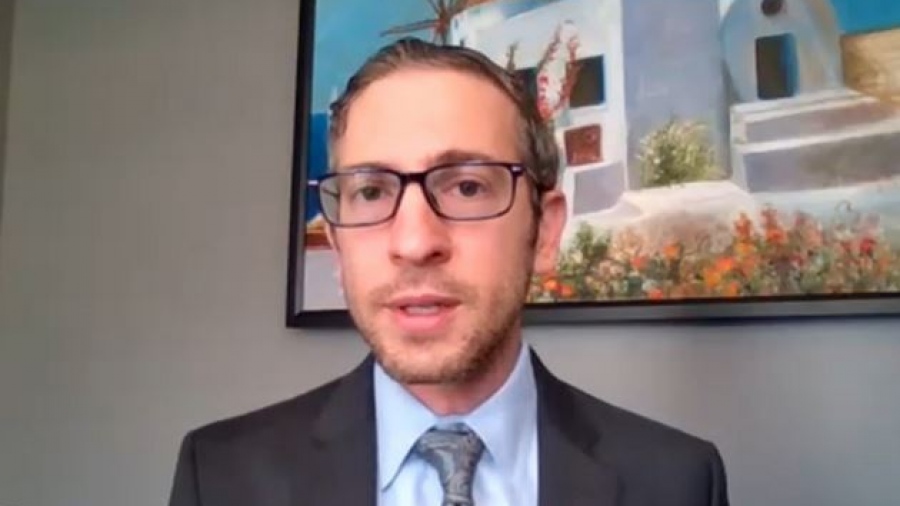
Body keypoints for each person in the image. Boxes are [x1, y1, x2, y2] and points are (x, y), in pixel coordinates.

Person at [168, 37, 730, 506]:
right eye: (371, 191)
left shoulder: (677, 482)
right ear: (337, 246)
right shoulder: (220, 479)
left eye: (466, 186)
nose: (415, 244)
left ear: (545, 232)